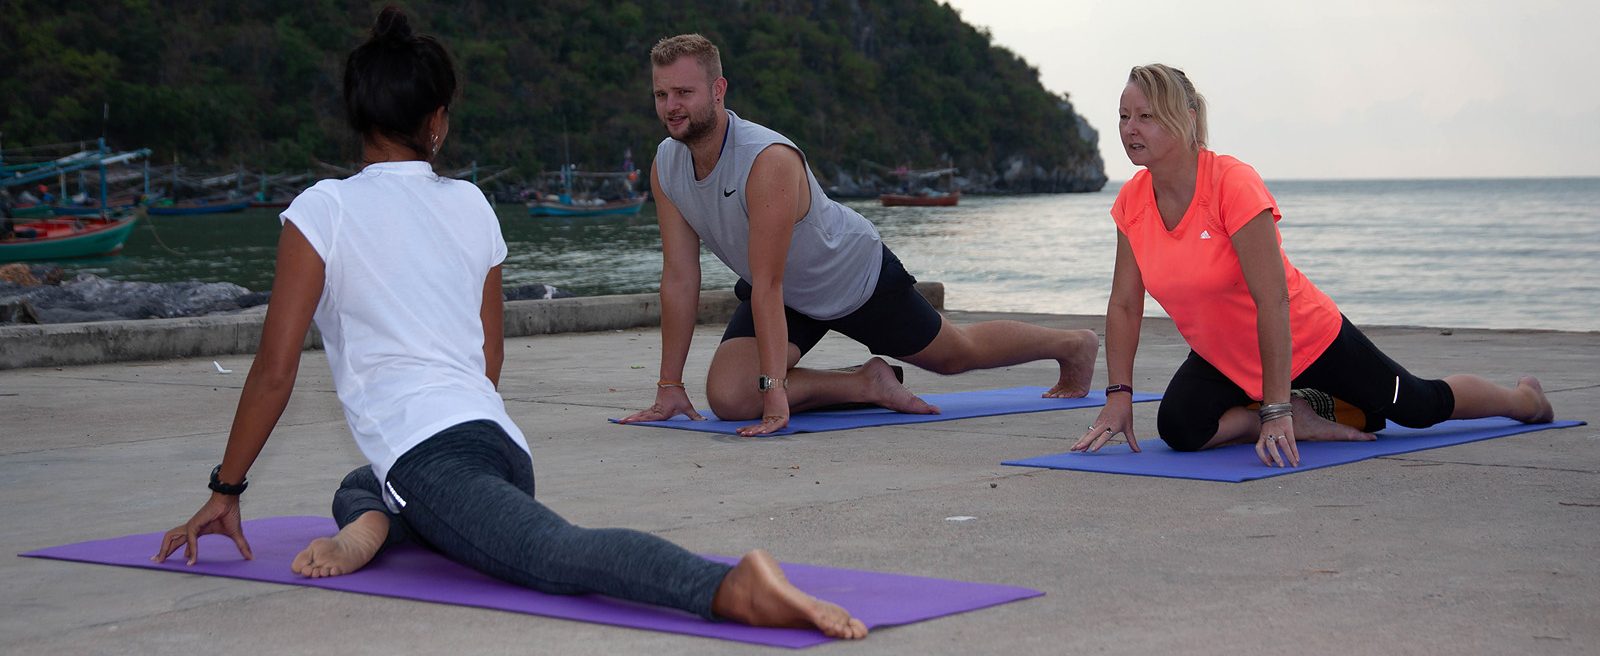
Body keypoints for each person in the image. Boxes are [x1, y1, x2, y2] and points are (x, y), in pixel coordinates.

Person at [149, 8, 866, 640]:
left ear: (356, 114)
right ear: (436, 122)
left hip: (438, 461)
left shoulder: (319, 212)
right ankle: (375, 517)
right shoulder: (471, 204)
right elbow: (487, 359)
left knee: (555, 554)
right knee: (359, 484)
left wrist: (226, 489)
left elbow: (276, 372)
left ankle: (725, 587)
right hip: (499, 446)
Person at [1073, 64, 1554, 467]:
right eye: (1123, 116)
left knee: (1417, 407)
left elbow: (1273, 299)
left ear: (1187, 117)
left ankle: (1523, 401)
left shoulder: (1231, 184)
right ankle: (1300, 416)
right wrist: (1119, 395)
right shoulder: (1133, 201)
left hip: (1305, 336)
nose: (1129, 129)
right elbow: (1124, 305)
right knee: (1180, 428)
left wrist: (1276, 405)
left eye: (1146, 117)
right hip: (1227, 356)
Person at [620, 34, 1100, 437]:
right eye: (662, 95)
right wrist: (669, 386)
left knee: (956, 355)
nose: (672, 107)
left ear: (718, 89)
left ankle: (1071, 344)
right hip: (788, 296)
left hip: (851, 277)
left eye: (684, 93)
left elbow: (766, 283)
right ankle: (867, 383)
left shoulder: (765, 160)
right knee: (729, 396)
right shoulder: (667, 165)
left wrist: (776, 397)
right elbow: (681, 279)